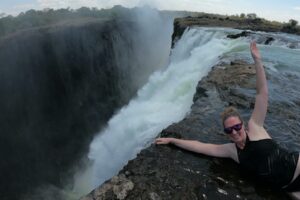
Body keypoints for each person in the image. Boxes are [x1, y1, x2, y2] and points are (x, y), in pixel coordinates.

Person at [155, 42, 300, 199]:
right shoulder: (231, 151)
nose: (235, 132)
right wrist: (172, 140)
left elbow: (262, 94)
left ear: (243, 125)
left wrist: (257, 61)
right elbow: (200, 147)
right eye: (229, 130)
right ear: (226, 133)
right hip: (289, 187)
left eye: (237, 127)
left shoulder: (255, 126)